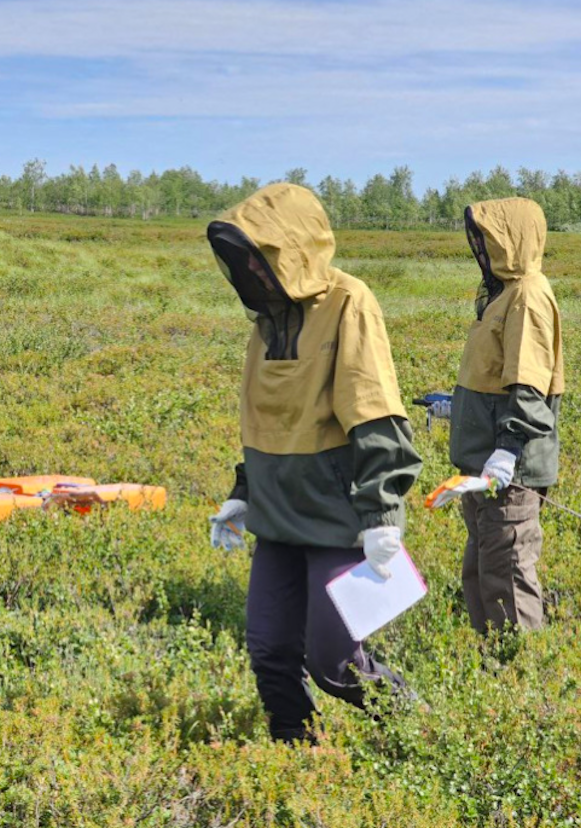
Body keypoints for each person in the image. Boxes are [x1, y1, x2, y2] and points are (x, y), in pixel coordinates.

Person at [206, 183, 422, 743]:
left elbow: (373, 408)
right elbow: (265, 420)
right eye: (245, 255)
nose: (251, 266)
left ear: (293, 248)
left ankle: (422, 729)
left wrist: (381, 513)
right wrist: (243, 492)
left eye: (262, 251)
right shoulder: (266, 323)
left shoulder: (350, 302)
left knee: (334, 659)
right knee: (270, 650)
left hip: (336, 515)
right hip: (277, 518)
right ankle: (296, 757)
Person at [450, 197, 563, 634]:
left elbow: (530, 386)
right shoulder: (505, 294)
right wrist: (456, 404)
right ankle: (493, 672)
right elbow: (497, 374)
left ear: (512, 238)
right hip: (483, 466)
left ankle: (519, 679)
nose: (481, 248)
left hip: (507, 473)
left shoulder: (528, 296)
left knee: (508, 578)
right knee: (482, 570)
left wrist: (508, 450)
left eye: (489, 238)